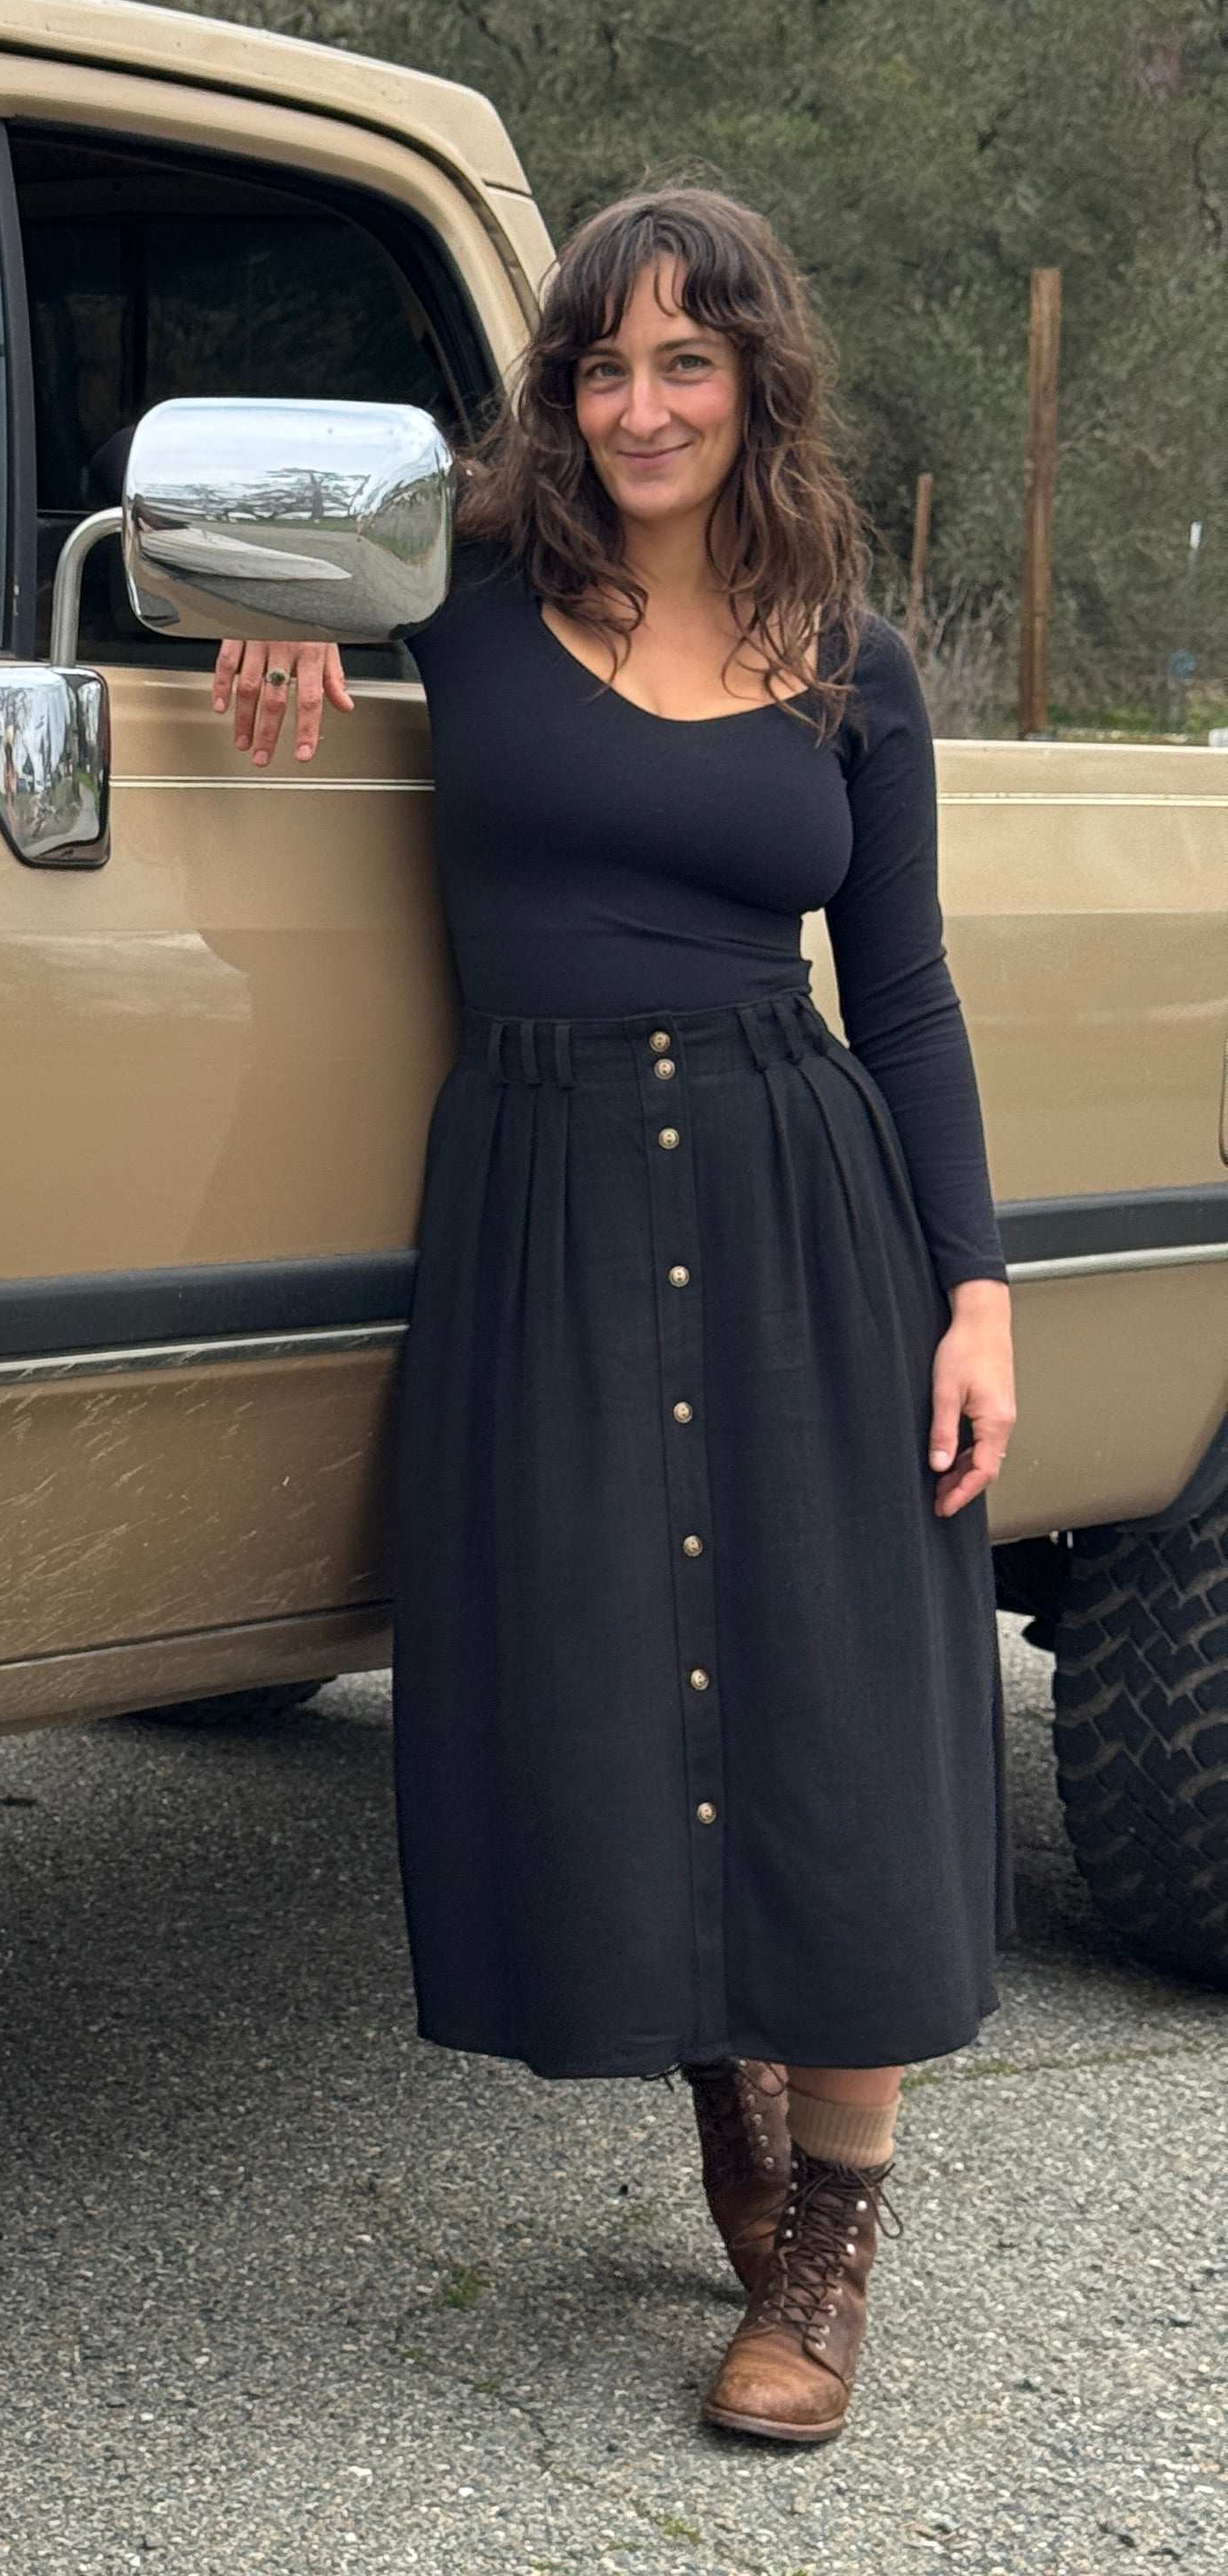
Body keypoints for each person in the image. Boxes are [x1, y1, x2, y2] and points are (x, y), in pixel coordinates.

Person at [222, 185, 1013, 2449]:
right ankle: (717, 2076)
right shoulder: (466, 598)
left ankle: (832, 2233)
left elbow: (910, 996)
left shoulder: (847, 656)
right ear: (560, 394)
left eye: (687, 361)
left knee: (830, 1690)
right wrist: (273, 614)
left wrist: (975, 1290)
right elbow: (225, 550)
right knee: (612, 1656)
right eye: (603, 366)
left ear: (757, 378)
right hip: (547, 1192)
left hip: (797, 1193)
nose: (643, 407)